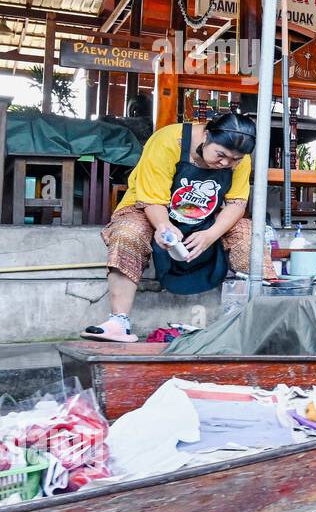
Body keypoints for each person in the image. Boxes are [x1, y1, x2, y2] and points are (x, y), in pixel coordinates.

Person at [82, 112, 274, 343]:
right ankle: (118, 322)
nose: (226, 164)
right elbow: (152, 199)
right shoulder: (168, 141)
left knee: (250, 236)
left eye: (235, 160)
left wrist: (211, 234)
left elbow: (237, 203)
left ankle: (262, 322)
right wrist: (164, 226)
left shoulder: (238, 158)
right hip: (148, 207)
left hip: (206, 217)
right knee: (128, 233)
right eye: (220, 155)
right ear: (207, 133)